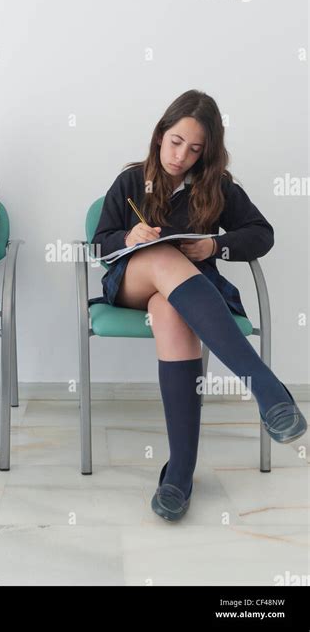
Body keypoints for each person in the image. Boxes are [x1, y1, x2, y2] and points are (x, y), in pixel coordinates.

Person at [89, 89, 307, 522]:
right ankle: (266, 388)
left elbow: (261, 233)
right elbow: (98, 244)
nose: (181, 156)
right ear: (159, 135)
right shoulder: (131, 181)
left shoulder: (217, 186)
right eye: (175, 142)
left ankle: (180, 472)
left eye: (194, 149)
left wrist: (215, 244)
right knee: (159, 255)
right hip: (130, 283)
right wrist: (128, 239)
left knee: (171, 312)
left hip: (185, 294)